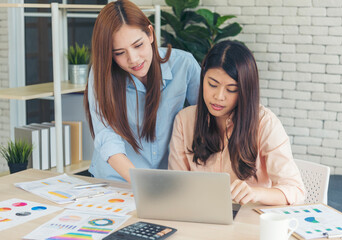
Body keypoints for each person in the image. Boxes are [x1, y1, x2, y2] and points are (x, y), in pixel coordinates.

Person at [168, 41, 305, 205]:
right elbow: (175, 185)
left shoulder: (265, 123)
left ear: (245, 90)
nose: (219, 96)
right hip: (201, 219)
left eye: (231, 89)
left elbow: (295, 191)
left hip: (249, 220)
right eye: (212, 84)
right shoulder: (185, 120)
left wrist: (256, 193)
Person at [84, 0, 200, 182]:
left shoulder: (184, 65)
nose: (133, 59)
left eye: (138, 45)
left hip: (166, 181)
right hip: (115, 180)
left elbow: (211, 118)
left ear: (150, 34)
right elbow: (106, 136)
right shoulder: (101, 74)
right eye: (119, 53)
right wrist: (142, 183)